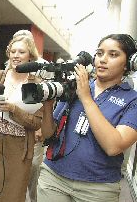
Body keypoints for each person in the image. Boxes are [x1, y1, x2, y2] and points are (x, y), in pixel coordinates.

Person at [37, 34, 137, 202]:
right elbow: (47, 135)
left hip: (98, 187)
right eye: (99, 53)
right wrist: (47, 106)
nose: (102, 60)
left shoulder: (132, 100)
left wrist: (85, 98)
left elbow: (113, 146)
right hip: (53, 176)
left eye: (113, 54)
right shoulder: (72, 87)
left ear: (129, 63)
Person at [0, 35, 46, 202]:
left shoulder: (34, 84)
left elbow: (35, 123)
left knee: (12, 195)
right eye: (13, 51)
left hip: (19, 150)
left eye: (21, 52)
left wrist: (14, 109)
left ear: (30, 56)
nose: (16, 55)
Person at [12, 29, 50, 202]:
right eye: (14, 47)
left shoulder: (42, 67)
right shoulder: (10, 65)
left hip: (34, 125)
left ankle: (33, 199)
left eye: (23, 47)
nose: (17, 54)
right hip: (12, 127)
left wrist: (41, 126)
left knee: (33, 168)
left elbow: (50, 99)